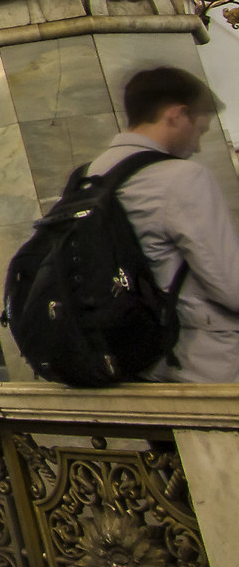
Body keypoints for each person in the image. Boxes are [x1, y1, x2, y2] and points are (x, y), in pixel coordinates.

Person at [91, 67, 239, 381]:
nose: (198, 146)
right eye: (200, 129)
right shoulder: (183, 177)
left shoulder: (89, 176)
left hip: (134, 358)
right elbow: (231, 286)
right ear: (177, 114)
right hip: (203, 362)